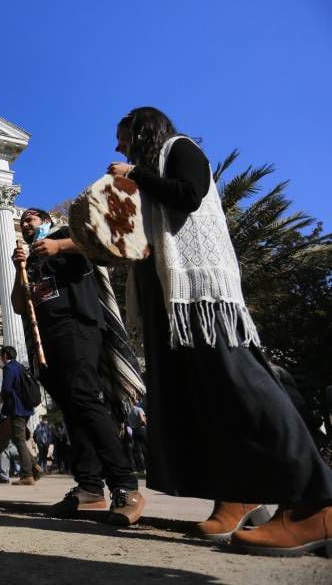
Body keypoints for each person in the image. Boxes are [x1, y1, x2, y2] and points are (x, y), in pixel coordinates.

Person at [109, 106, 332, 554]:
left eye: (124, 138)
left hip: (202, 296)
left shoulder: (182, 149)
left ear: (143, 129)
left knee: (244, 388)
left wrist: (134, 173)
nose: (118, 147)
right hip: (170, 303)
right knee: (209, 401)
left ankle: (316, 504)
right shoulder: (149, 174)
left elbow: (188, 195)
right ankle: (237, 494)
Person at [12, 208, 144, 526]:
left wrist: (60, 246)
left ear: (46, 221)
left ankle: (125, 485)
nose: (25, 223)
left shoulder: (65, 237)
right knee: (72, 409)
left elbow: (104, 242)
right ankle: (89, 488)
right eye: (23, 222)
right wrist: (19, 269)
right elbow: (19, 304)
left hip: (77, 325)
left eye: (31, 218)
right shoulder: (29, 259)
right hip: (47, 335)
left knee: (84, 397)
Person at [0, 346, 41, 486]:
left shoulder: (9, 368)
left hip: (17, 409)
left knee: (19, 440)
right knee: (18, 440)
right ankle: (35, 466)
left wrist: (1, 398)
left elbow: (6, 388)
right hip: (26, 409)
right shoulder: (20, 366)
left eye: (1, 356)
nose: (0, 359)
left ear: (4, 355)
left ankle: (27, 475)